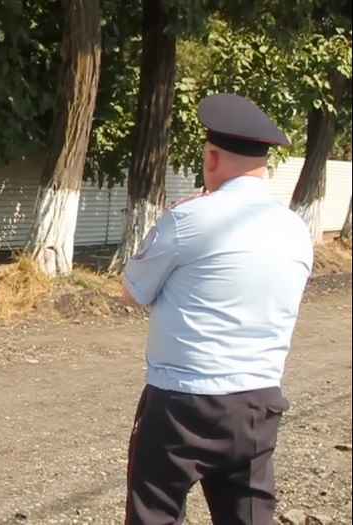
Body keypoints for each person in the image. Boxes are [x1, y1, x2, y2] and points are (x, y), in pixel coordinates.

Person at [120, 93, 314, 524]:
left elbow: (133, 292)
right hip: (257, 402)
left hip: (181, 401)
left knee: (153, 515)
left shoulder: (188, 218)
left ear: (211, 157)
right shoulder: (296, 229)